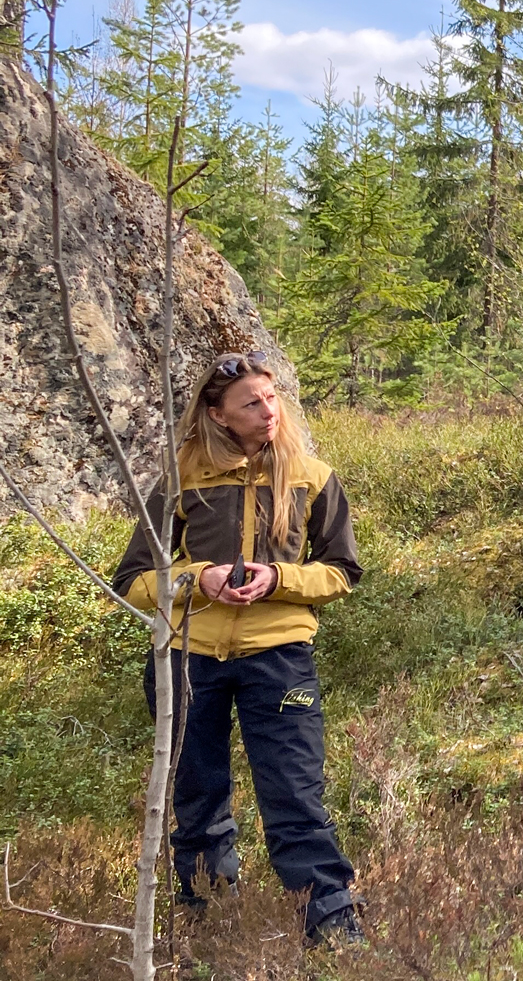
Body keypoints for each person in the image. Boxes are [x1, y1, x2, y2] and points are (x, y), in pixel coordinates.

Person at [110, 352, 364, 947]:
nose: (268, 411)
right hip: (188, 658)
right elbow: (132, 580)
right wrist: (197, 579)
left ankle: (333, 928)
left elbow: (342, 571)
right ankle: (209, 924)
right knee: (197, 797)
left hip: (280, 659)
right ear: (218, 414)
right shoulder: (180, 479)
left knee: (295, 796)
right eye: (251, 403)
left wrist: (280, 579)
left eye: (272, 398)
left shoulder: (312, 477)